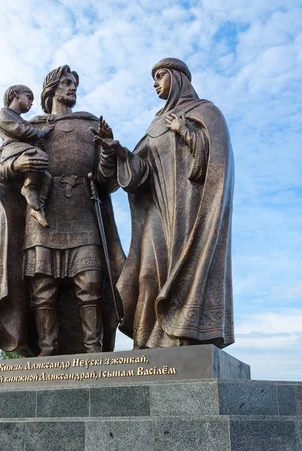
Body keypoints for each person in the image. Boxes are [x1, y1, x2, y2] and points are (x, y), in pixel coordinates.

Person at [0, 66, 125, 356]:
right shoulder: (29, 127)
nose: (73, 89)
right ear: (52, 89)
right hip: (42, 217)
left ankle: (93, 350)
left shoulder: (90, 126)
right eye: (67, 83)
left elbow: (108, 180)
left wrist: (107, 151)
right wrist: (17, 166)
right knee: (43, 289)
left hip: (83, 214)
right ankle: (46, 350)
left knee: (91, 285)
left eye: (74, 84)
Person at [96, 57, 234, 349]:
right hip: (159, 210)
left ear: (178, 76)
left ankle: (182, 338)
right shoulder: (156, 123)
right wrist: (119, 150)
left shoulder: (206, 113)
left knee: (185, 274)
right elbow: (141, 173)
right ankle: (146, 345)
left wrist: (185, 131)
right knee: (147, 274)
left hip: (191, 215)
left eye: (160, 76)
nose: (155, 83)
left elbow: (215, 164)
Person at [0, 84, 53, 228]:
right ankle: (28, 188)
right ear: (15, 94)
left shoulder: (18, 118)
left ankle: (38, 209)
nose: (31, 103)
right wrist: (42, 132)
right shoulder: (5, 114)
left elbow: (27, 125)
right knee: (40, 156)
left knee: (47, 177)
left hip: (21, 149)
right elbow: (21, 131)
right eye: (28, 97)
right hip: (13, 150)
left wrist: (42, 121)